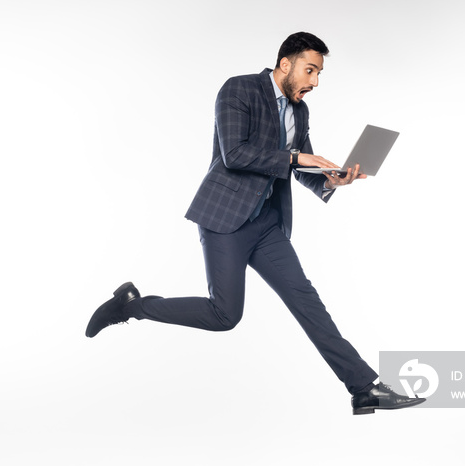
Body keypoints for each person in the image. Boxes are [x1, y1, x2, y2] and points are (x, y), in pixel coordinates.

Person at [86, 32, 425, 415]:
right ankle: (133, 306)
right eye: (310, 70)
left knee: (307, 301)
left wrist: (332, 179)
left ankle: (365, 388)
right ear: (286, 64)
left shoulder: (299, 110)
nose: (315, 81)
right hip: (226, 217)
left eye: (319, 73)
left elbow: (303, 166)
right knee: (225, 315)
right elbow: (235, 154)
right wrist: (298, 159)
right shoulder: (238, 90)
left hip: (266, 223)